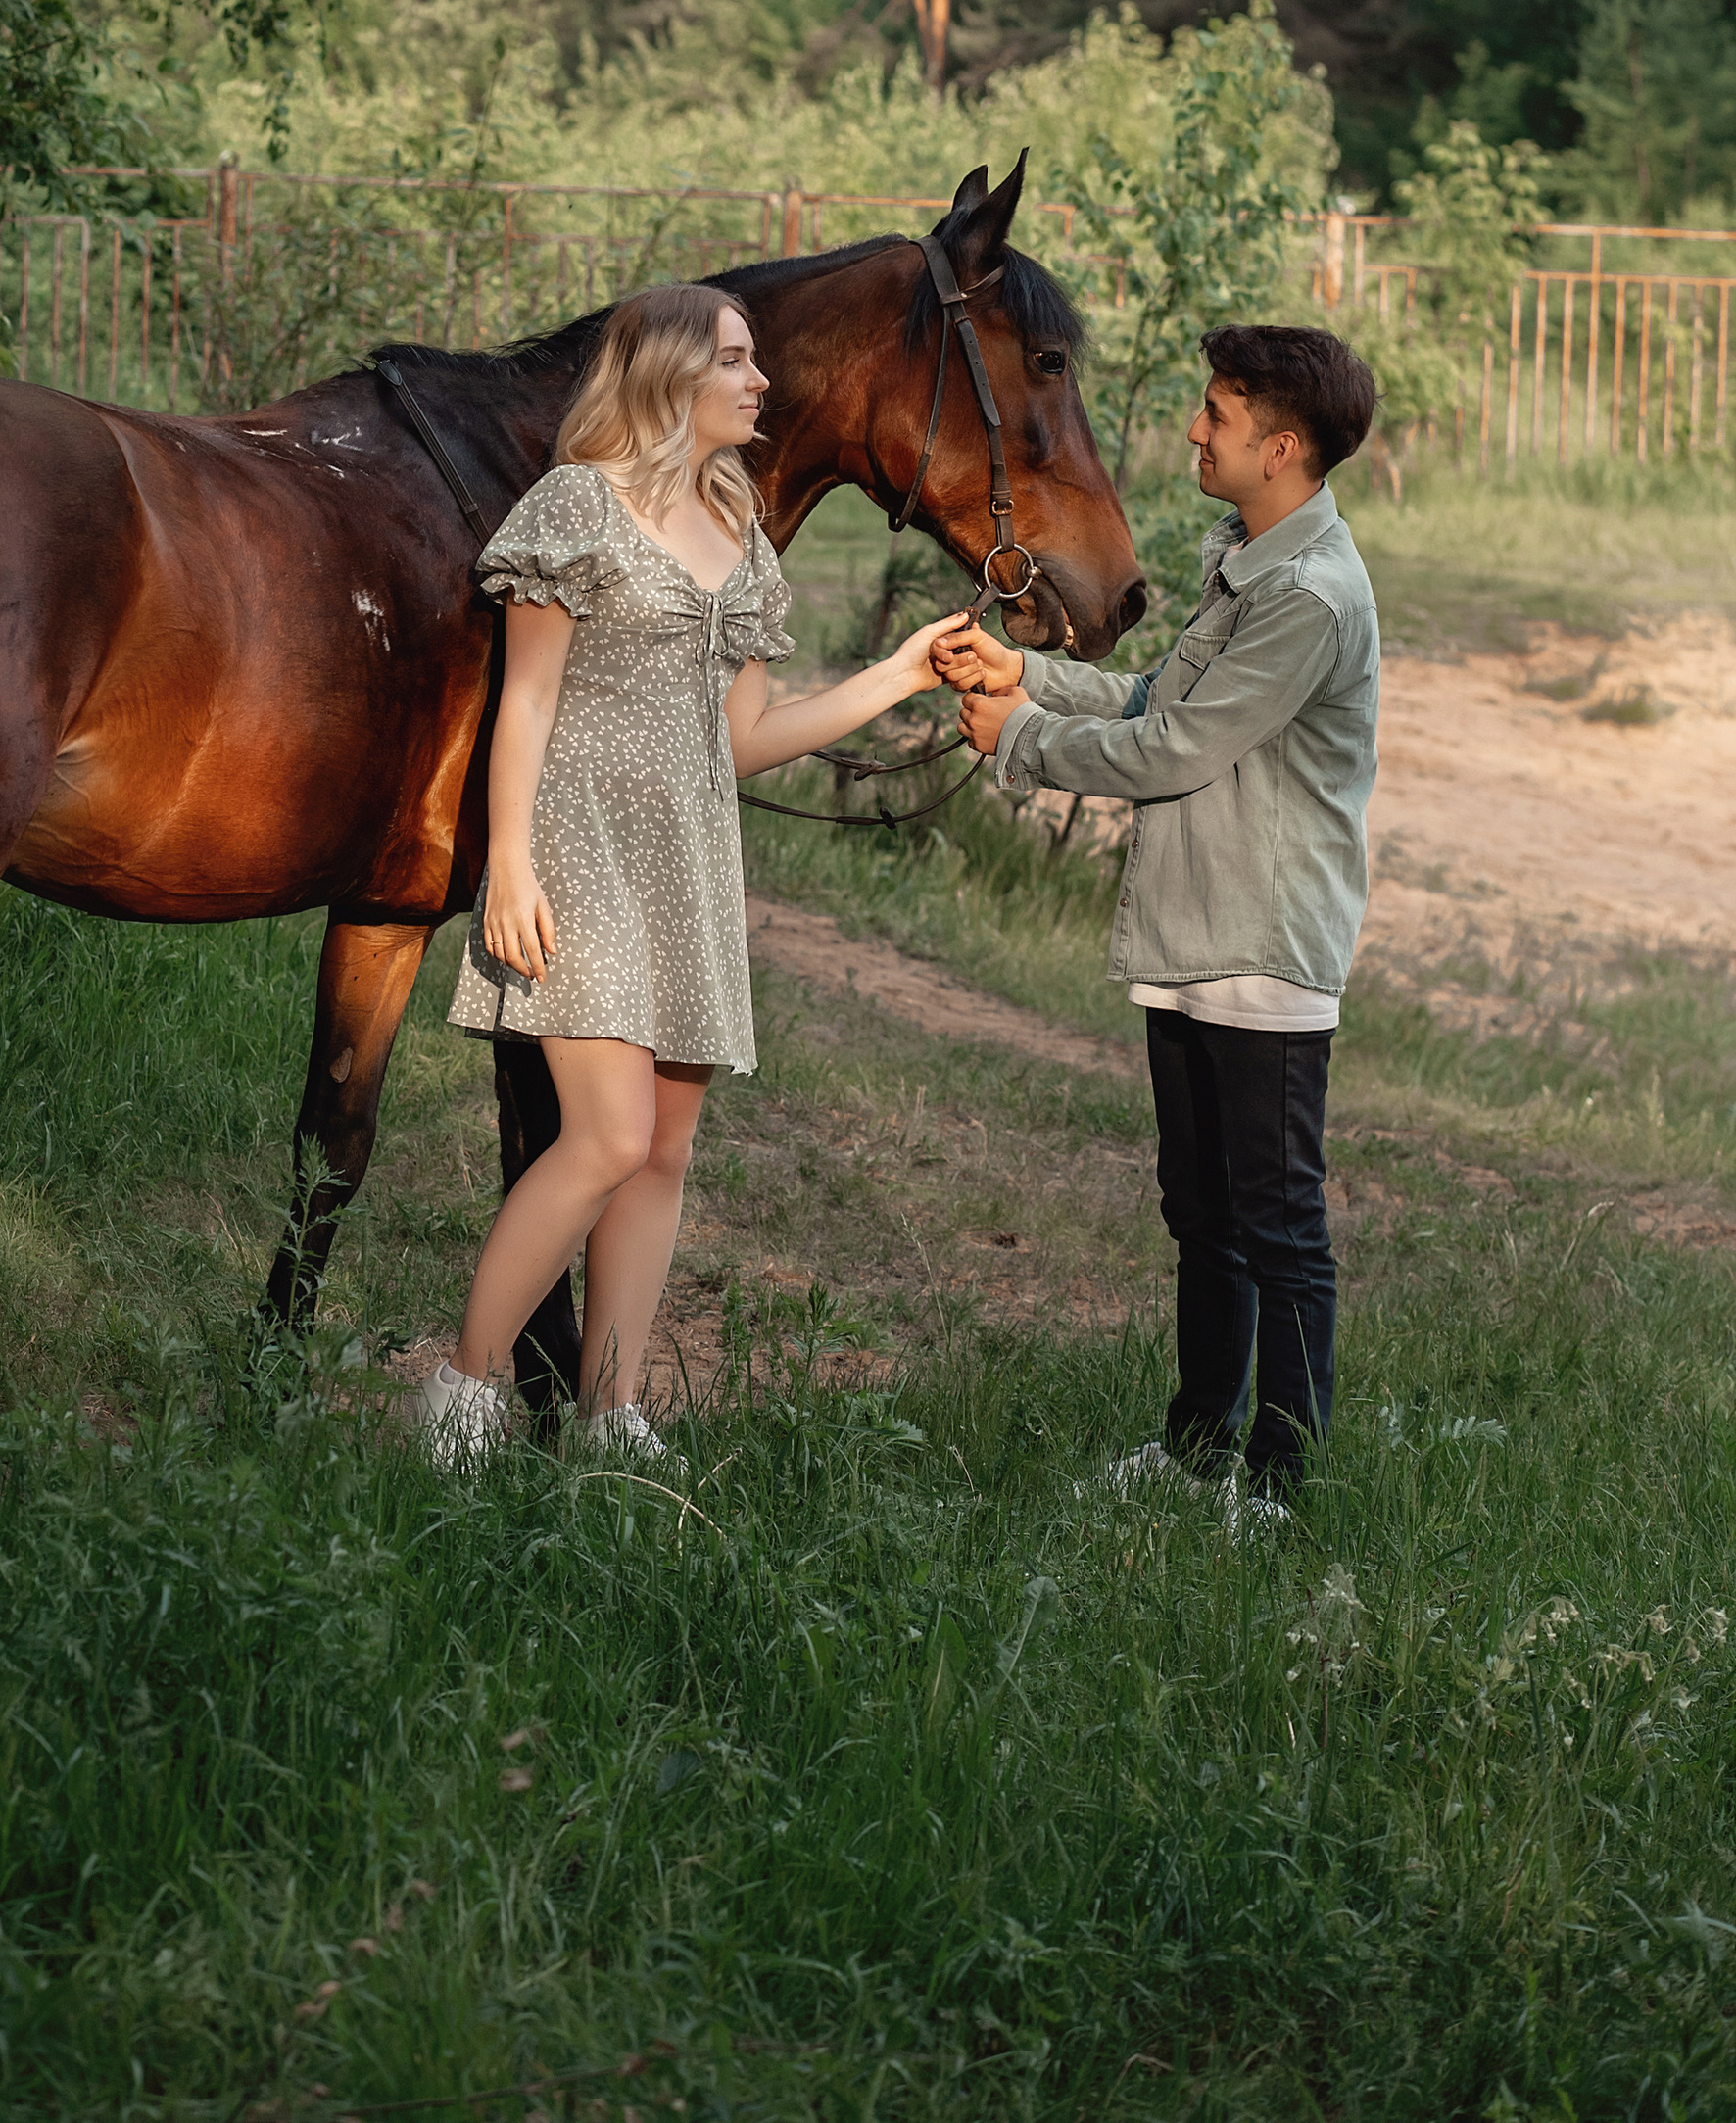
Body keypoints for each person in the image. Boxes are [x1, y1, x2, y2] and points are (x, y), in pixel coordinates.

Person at [413, 280, 969, 1470]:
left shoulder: (738, 526)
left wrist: (899, 674)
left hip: (689, 854)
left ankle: (610, 1416)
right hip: (579, 840)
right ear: (664, 373)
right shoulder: (577, 505)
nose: (759, 379)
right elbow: (526, 700)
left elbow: (741, 740)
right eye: (733, 359)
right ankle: (461, 1397)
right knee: (605, 1137)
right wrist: (506, 863)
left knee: (664, 1147)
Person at [940, 324, 1381, 1505]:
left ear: (1279, 446)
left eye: (1217, 415)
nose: (1193, 430)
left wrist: (1019, 741)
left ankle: (1276, 1491)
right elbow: (1153, 696)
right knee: (1201, 1214)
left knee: (1277, 1225)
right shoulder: (1248, 558)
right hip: (1196, 935)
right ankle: (1196, 1455)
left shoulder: (1310, 595)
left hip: (1262, 946)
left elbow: (1179, 749)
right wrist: (1019, 673)